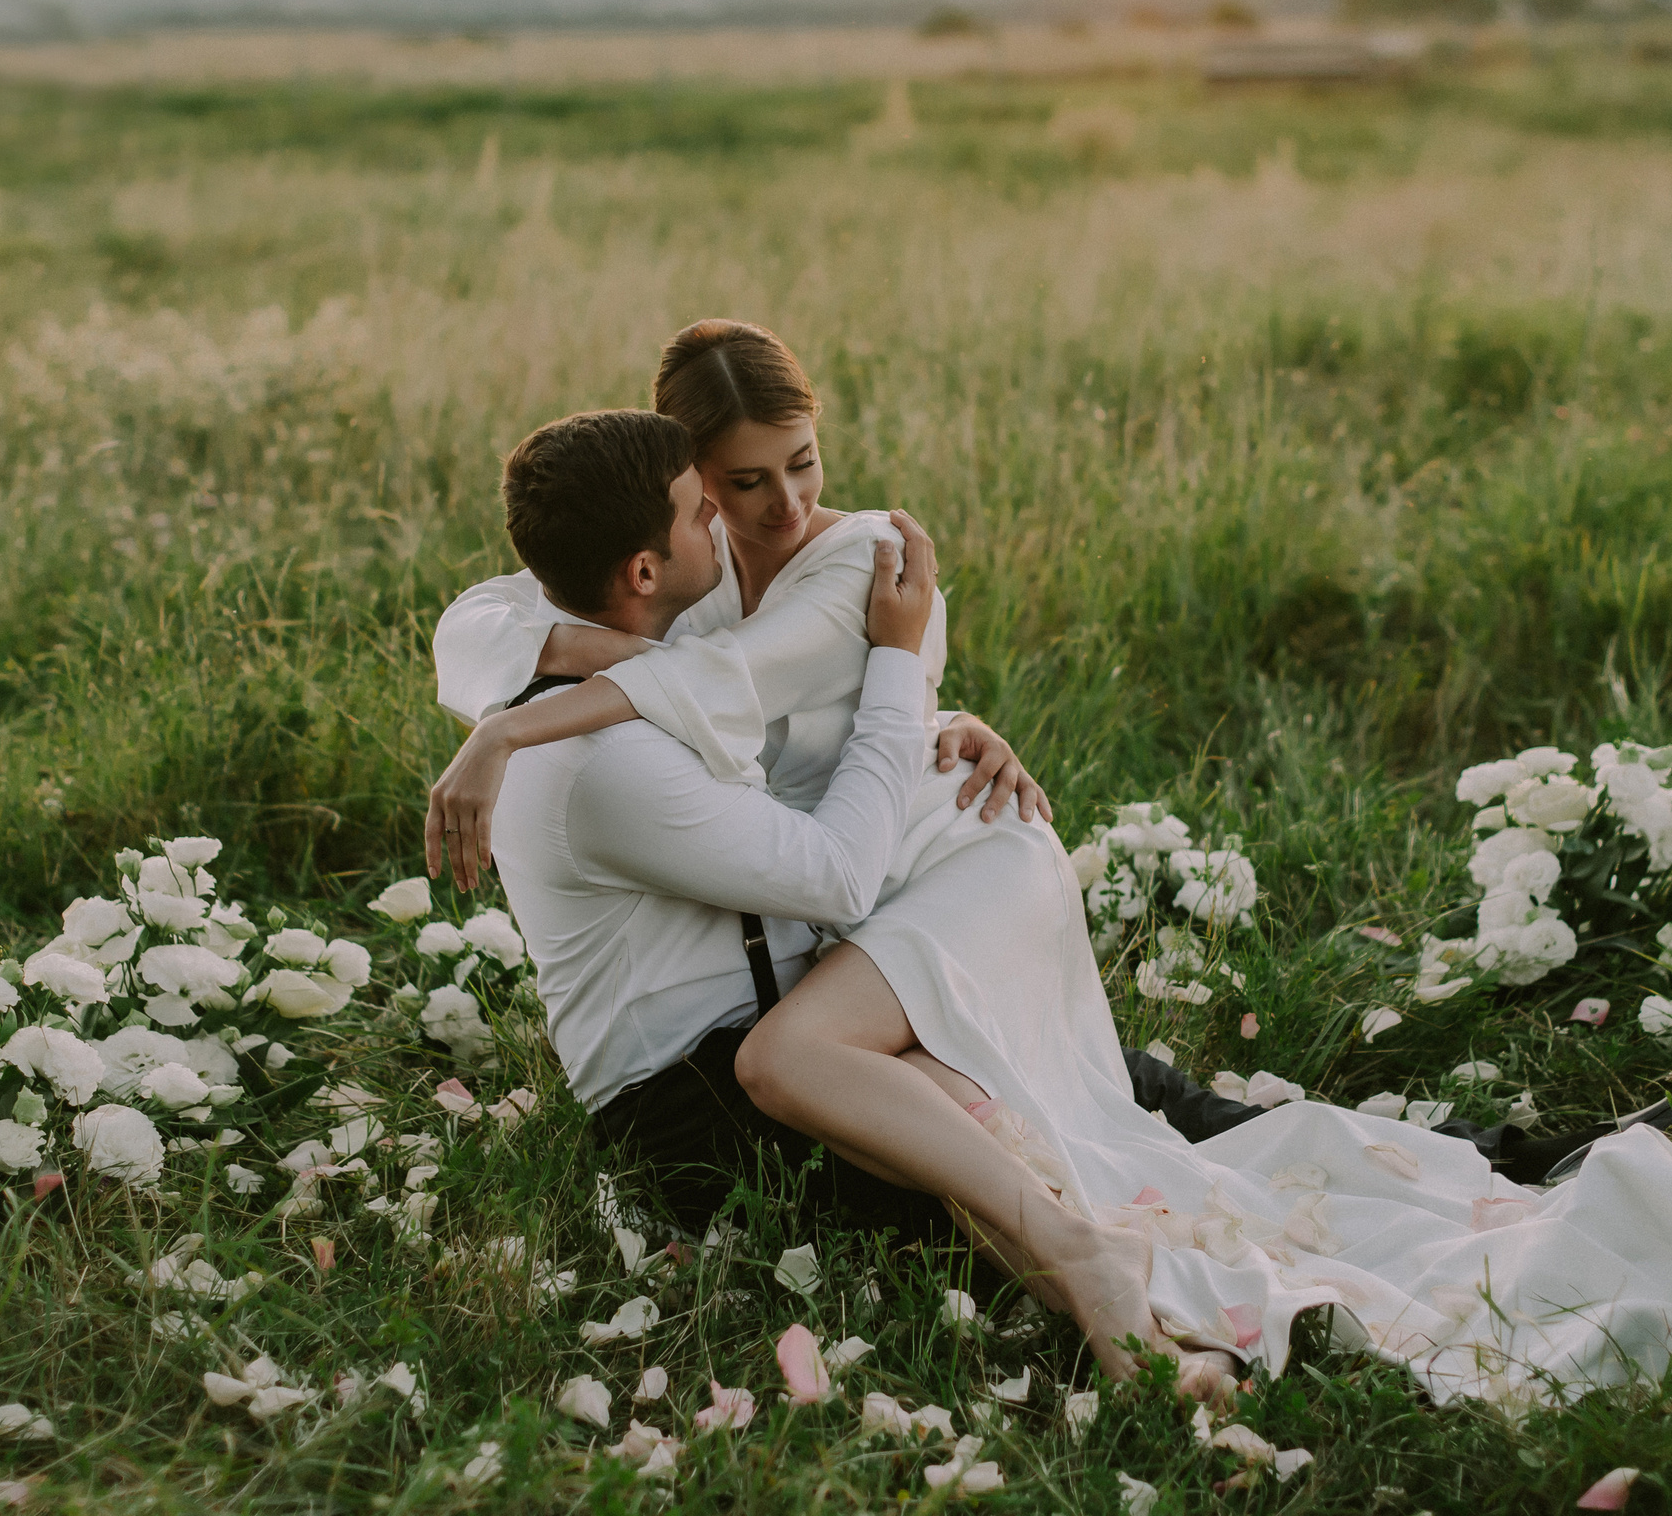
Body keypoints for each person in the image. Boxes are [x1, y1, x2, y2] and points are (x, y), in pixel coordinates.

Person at [435, 321, 1672, 1405]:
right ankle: (1174, 1285)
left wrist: (905, 696)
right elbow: (499, 631)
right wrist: (544, 709)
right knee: (1108, 1119)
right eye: (729, 489)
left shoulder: (852, 561)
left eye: (801, 465)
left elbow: (758, 697)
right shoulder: (661, 637)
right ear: (666, 527)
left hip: (901, 901)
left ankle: (1518, 1159)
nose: (773, 510)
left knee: (1122, 1107)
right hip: (788, 998)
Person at [464, 406, 1197, 1382]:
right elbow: (837, 869)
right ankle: (1112, 1289)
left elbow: (766, 733)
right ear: (642, 571)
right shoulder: (604, 762)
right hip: (703, 1104)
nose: (728, 520)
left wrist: (946, 724)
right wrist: (896, 666)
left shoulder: (655, 650)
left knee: (1087, 1074)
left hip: (812, 1019)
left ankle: (1450, 1151)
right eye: (700, 509)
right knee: (1042, 1130)